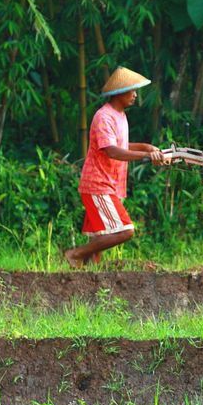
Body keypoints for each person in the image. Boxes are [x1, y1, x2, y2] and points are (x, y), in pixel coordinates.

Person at [64, 67, 167, 268]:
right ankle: (74, 254)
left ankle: (82, 276)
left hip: (108, 183)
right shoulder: (104, 117)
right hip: (98, 184)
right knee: (124, 231)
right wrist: (146, 155)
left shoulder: (120, 116)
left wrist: (146, 147)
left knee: (98, 243)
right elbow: (112, 151)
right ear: (119, 93)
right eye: (132, 91)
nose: (136, 95)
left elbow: (121, 145)